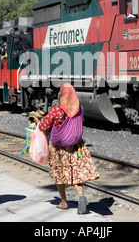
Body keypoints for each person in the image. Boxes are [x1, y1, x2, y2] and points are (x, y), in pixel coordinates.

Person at [38, 83, 99, 214]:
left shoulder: (56, 110)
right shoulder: (80, 109)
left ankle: (64, 201)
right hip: (75, 147)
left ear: (62, 94)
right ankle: (81, 195)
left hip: (58, 149)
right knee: (76, 172)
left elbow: (43, 126)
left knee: (59, 173)